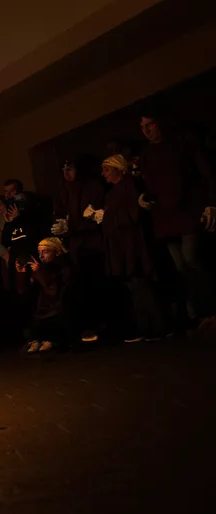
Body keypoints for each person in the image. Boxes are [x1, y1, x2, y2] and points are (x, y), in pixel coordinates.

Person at [138, 111, 216, 326]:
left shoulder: (182, 144)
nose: (147, 130)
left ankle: (209, 310)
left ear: (160, 123)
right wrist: (144, 199)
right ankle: (199, 312)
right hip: (165, 215)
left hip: (187, 209)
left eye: (150, 124)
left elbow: (205, 174)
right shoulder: (147, 154)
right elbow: (151, 185)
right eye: (143, 126)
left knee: (191, 259)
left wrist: (210, 203)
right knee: (181, 265)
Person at [97, 154, 167, 341]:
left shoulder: (131, 186)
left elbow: (135, 214)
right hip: (120, 244)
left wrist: (110, 218)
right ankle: (145, 326)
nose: (103, 174)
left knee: (141, 283)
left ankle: (156, 326)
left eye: (107, 169)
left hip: (132, 242)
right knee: (134, 286)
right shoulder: (111, 193)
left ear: (118, 169)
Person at [53, 158, 107, 343]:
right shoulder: (63, 190)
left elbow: (95, 215)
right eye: (64, 169)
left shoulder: (92, 187)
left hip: (94, 244)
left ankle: (104, 328)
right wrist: (61, 226)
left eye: (70, 169)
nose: (67, 173)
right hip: (76, 246)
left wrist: (75, 228)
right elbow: (60, 213)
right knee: (80, 287)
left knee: (97, 284)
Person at [21, 238, 72, 353]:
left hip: (58, 308)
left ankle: (51, 339)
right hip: (42, 309)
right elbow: (27, 292)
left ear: (57, 252)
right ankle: (37, 339)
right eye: (39, 253)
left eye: (45, 252)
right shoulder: (42, 268)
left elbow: (54, 290)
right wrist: (23, 274)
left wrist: (40, 273)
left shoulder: (64, 267)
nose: (41, 256)